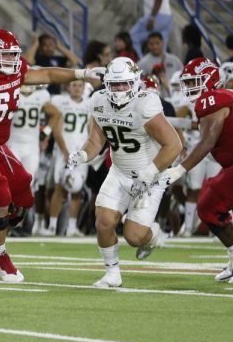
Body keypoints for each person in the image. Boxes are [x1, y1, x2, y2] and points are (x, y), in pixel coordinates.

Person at [0, 30, 103, 282]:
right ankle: (0, 256)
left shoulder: (14, 70)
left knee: (24, 195)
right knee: (0, 195)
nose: (12, 59)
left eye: (14, 54)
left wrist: (82, 74)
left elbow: (45, 73)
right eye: (6, 54)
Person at [67, 57, 183, 287]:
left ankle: (153, 236)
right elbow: (95, 140)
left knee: (134, 237)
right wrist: (81, 155)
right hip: (119, 172)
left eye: (125, 84)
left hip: (150, 176)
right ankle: (112, 274)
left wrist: (148, 174)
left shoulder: (145, 104)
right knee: (104, 221)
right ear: (106, 83)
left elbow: (174, 145)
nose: (120, 89)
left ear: (135, 82)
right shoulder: (98, 100)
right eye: (115, 84)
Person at [160, 58, 233, 284]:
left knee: (207, 205)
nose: (189, 87)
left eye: (194, 81)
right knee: (214, 202)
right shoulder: (225, 96)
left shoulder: (210, 100)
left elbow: (206, 143)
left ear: (208, 80)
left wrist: (179, 170)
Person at [6, 83, 56, 232]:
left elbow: (56, 114)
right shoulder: (11, 94)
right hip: (13, 144)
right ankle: (7, 222)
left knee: (28, 186)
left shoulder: (41, 96)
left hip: (32, 147)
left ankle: (21, 223)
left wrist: (46, 132)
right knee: (11, 185)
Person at [45, 78, 92, 236]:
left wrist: (88, 151)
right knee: (60, 186)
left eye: (80, 86)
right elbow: (57, 131)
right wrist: (65, 152)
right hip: (64, 150)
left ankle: (72, 227)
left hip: (81, 151)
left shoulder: (89, 104)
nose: (77, 88)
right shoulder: (60, 101)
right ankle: (52, 226)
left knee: (78, 188)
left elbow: (91, 130)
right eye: (74, 85)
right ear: (68, 87)